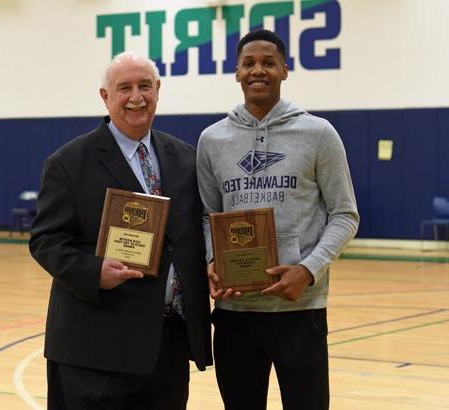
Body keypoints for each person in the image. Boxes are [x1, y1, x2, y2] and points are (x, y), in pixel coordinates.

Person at [29, 51, 212, 410]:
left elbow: (192, 234)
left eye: (145, 86)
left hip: (167, 346)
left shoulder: (185, 158)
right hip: (96, 349)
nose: (136, 97)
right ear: (105, 96)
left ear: (158, 90)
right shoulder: (69, 162)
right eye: (124, 87)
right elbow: (46, 240)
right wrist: (94, 271)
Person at [196, 29, 360, 410]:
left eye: (268, 63)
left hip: (300, 309)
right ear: (235, 72)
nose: (258, 70)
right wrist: (212, 261)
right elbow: (207, 216)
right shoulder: (212, 140)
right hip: (235, 313)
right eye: (249, 63)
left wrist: (308, 269)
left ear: (285, 70)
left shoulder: (319, 134)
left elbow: (345, 214)